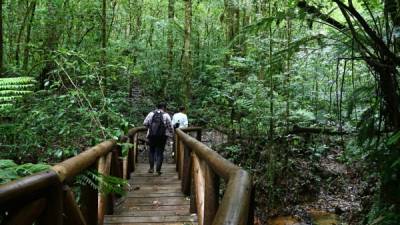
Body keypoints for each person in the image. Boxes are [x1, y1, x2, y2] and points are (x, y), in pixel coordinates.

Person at [143, 102, 173, 175]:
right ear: (164, 108)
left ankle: (151, 168)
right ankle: (158, 171)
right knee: (160, 153)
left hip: (152, 135)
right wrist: (172, 134)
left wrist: (151, 128)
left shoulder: (151, 114)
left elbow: (145, 123)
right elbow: (170, 127)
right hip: (162, 136)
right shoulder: (166, 115)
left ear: (157, 107)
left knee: (151, 151)